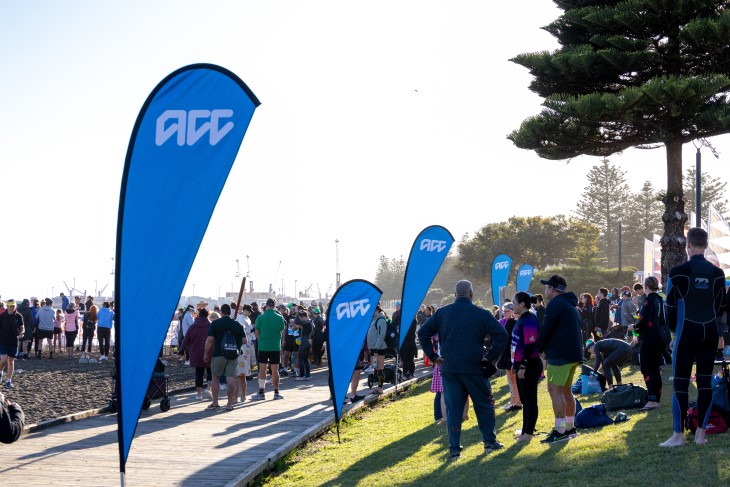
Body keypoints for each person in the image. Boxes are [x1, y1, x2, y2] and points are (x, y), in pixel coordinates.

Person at [418, 280, 508, 460]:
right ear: (471, 294)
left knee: (454, 409)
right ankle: (489, 442)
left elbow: (423, 333)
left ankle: (454, 449)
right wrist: (489, 357)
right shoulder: (481, 313)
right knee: (483, 404)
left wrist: (433, 356)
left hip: (450, 368)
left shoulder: (443, 313)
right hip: (474, 367)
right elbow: (502, 335)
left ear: (454, 293)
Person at [661, 228, 726, 447]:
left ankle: (678, 436)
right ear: (706, 246)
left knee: (680, 383)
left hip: (686, 331)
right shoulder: (718, 274)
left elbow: (669, 308)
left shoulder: (678, 272)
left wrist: (673, 332)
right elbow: (719, 307)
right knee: (705, 382)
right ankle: (701, 435)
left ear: (687, 245)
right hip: (709, 331)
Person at [535, 274, 583, 444]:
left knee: (554, 390)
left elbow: (546, 329)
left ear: (553, 289)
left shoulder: (555, 304)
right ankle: (570, 427)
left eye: (547, 287)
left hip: (560, 355)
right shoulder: (570, 304)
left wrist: (538, 349)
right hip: (573, 354)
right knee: (566, 391)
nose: (545, 290)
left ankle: (560, 430)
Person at [511, 292, 542, 442]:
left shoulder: (529, 319)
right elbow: (518, 344)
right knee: (524, 401)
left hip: (530, 365)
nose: (512, 306)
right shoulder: (522, 318)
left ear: (522, 304)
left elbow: (530, 345)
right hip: (521, 365)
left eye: (514, 303)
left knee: (530, 400)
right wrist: (515, 364)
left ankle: (529, 433)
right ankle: (525, 431)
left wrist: (522, 365)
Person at [632, 276, 665, 411]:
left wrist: (634, 327)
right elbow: (662, 320)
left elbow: (645, 320)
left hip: (650, 338)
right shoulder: (659, 299)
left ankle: (652, 399)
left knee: (646, 368)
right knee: (655, 368)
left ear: (646, 286)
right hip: (658, 336)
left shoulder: (649, 300)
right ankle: (656, 398)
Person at [203, 304, 244, 411]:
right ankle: (229, 404)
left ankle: (215, 402)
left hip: (218, 354)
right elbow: (245, 341)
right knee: (231, 378)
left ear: (221, 312)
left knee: (215, 377)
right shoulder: (237, 324)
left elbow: (210, 340)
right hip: (233, 355)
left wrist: (206, 353)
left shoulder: (215, 323)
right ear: (230, 312)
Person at [251, 298, 286, 401]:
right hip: (275, 346)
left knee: (262, 370)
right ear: (275, 306)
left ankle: (261, 392)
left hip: (263, 346)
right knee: (275, 371)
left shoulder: (260, 317)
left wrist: (261, 340)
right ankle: (276, 392)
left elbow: (256, 333)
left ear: (266, 306)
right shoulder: (279, 318)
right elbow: (282, 331)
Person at [179, 308, 213, 401]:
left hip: (196, 354)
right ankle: (209, 389)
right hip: (209, 352)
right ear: (207, 315)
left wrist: (181, 351)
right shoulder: (211, 326)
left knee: (199, 374)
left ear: (198, 315)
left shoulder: (193, 327)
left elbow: (185, 341)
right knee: (211, 372)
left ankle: (199, 394)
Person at [497, 302, 522, 412]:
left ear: (512, 311)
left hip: (512, 354)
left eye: (506, 311)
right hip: (508, 353)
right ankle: (516, 400)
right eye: (503, 311)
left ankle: (515, 401)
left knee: (513, 380)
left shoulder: (513, 322)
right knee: (512, 380)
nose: (504, 313)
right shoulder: (508, 322)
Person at [0, 300, 24, 389]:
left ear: (15, 306)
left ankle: (8, 381)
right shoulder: (2, 316)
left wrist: (21, 333)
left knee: (11, 361)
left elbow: (22, 327)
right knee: (3, 359)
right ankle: (0, 372)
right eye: (10, 306)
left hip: (13, 341)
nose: (11, 308)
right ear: (7, 306)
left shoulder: (18, 316)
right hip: (3, 340)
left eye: (13, 306)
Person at [366, 304, 389, 394]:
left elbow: (381, 335)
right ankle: (378, 387)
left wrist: (376, 348)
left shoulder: (381, 320)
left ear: (377, 310)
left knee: (380, 368)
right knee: (375, 368)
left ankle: (380, 388)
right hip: (374, 349)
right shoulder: (374, 320)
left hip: (379, 349)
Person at [292, 310, 313, 381]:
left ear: (303, 317)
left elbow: (297, 321)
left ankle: (301, 375)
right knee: (306, 359)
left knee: (301, 359)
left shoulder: (306, 323)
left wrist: (298, 314)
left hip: (304, 341)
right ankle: (308, 375)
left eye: (300, 317)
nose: (300, 319)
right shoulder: (310, 322)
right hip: (308, 341)